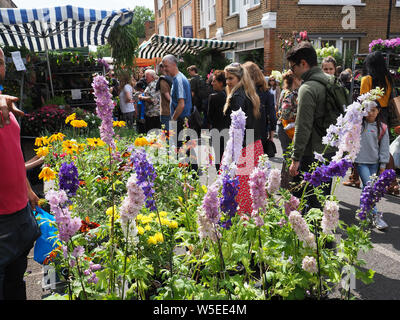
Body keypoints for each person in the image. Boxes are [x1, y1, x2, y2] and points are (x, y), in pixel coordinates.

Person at [0, 48, 41, 300]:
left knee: (16, 282)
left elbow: (13, 150)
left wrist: (28, 190)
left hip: (18, 214)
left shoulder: (5, 102)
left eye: (1, 61)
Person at [286, 41, 336, 211]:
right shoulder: (332, 81)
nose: (292, 72)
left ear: (303, 63)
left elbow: (302, 126)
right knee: (323, 198)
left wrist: (295, 158)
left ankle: (313, 236)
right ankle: (324, 234)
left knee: (308, 201)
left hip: (310, 153)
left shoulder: (307, 88)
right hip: (330, 150)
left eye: (293, 67)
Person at [223, 62, 264, 216]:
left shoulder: (237, 96)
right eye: (226, 78)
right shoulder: (250, 93)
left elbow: (238, 129)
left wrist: (233, 153)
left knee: (240, 187)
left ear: (240, 78)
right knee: (252, 187)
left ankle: (242, 220)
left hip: (244, 147)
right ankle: (252, 218)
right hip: (255, 144)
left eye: (231, 78)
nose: (227, 82)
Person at [355, 104, 390, 230]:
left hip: (374, 163)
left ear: (378, 111)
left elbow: (384, 148)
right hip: (361, 162)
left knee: (366, 187)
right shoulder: (358, 125)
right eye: (368, 110)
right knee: (370, 187)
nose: (370, 113)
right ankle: (376, 216)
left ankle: (363, 212)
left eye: (373, 110)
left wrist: (383, 165)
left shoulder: (382, 128)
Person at [242, 61, 276, 157]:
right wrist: (271, 136)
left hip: (244, 133)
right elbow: (272, 116)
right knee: (257, 166)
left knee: (245, 165)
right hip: (261, 133)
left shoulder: (243, 92)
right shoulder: (267, 93)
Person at [276, 70, 302, 188]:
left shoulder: (284, 91)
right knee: (289, 157)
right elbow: (285, 113)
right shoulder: (290, 94)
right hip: (286, 128)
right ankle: (287, 186)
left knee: (287, 156)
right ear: (295, 80)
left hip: (282, 127)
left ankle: (284, 184)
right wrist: (298, 114)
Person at [161, 54, 192, 145]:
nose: (165, 69)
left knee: (180, 151)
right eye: (163, 66)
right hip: (181, 120)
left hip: (181, 121)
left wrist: (173, 120)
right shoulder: (177, 78)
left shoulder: (179, 80)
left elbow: (181, 104)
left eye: (166, 66)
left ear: (174, 64)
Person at [207, 70, 227, 171]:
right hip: (229, 132)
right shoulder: (230, 96)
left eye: (214, 81)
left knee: (219, 159)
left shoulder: (213, 97)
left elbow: (209, 116)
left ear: (221, 83)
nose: (212, 83)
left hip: (216, 131)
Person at [156, 63, 172, 132]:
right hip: (174, 110)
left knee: (168, 134)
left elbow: (168, 97)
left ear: (162, 68)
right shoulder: (173, 78)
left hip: (166, 111)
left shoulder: (163, 80)